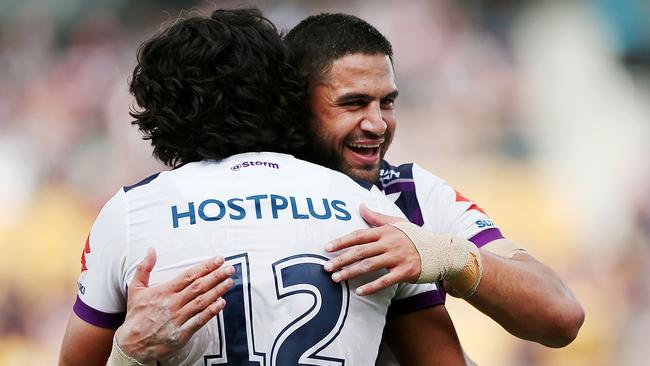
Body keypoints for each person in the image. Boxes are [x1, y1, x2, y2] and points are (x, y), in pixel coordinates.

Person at [58, 8, 466, 366]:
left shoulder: (132, 213)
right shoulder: (370, 207)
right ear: (288, 96)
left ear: (163, 110)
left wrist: (127, 356)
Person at [283, 12, 585, 350]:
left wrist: (448, 257)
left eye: (387, 103)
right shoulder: (241, 195)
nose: (378, 124)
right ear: (297, 105)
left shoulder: (410, 193)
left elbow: (562, 315)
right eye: (353, 104)